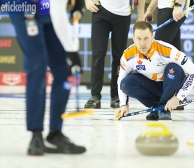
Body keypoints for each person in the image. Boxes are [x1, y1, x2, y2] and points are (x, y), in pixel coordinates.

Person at [8, 0, 86, 155]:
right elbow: (57, 9)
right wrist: (70, 49)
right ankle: (36, 134)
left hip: (47, 11)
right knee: (38, 66)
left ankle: (55, 133)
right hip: (23, 7)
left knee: (64, 70)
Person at [114, 21, 194, 120]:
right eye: (138, 39)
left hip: (170, 85)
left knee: (173, 68)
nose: (142, 44)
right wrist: (123, 105)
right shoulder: (128, 55)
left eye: (146, 38)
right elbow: (121, 79)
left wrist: (178, 97)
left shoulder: (167, 50)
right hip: (152, 87)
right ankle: (155, 106)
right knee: (126, 83)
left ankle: (164, 107)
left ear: (152, 37)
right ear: (133, 39)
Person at [84, 0, 145, 109]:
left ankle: (116, 96)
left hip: (123, 13)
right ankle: (95, 96)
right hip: (100, 9)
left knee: (119, 57)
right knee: (98, 54)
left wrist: (140, 14)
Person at [143, 0, 191, 110]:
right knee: (174, 52)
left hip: (172, 8)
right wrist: (150, 9)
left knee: (158, 52)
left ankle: (161, 98)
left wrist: (178, 5)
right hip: (165, 8)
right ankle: (179, 97)